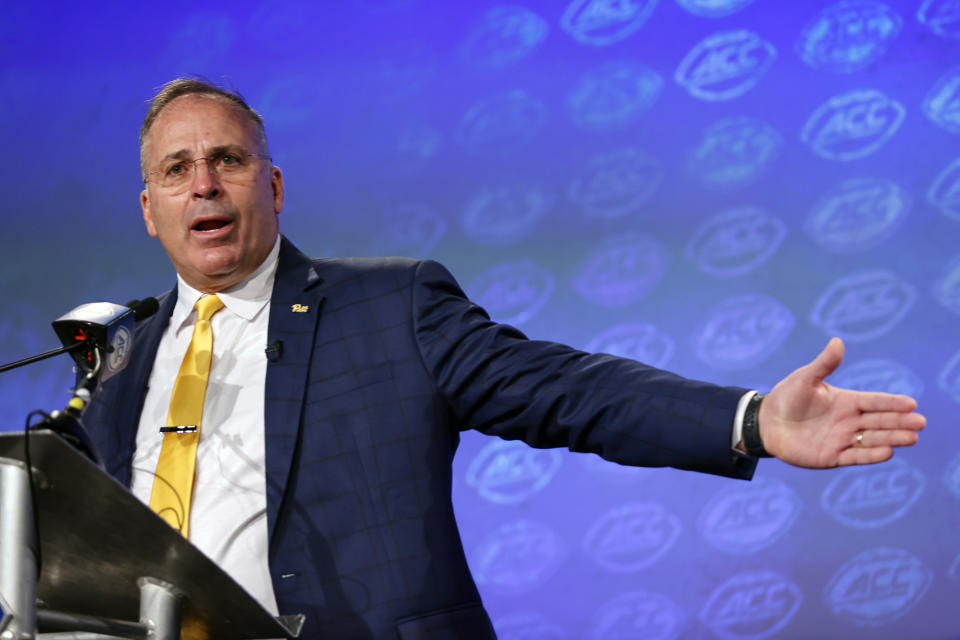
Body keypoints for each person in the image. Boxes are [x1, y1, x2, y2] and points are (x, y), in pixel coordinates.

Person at [82, 78, 925, 640]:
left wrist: (747, 419)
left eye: (227, 159)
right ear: (150, 210)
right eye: (178, 169)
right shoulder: (121, 362)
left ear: (272, 185)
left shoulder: (387, 306)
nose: (204, 184)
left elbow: (561, 390)